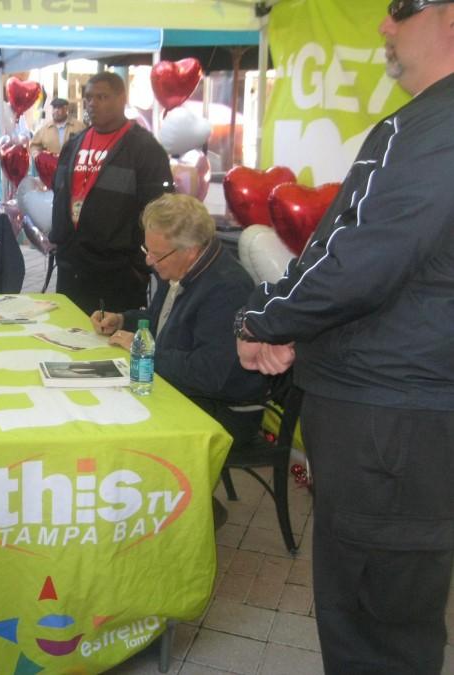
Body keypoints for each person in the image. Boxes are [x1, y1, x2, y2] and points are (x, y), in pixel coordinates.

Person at [235, 2, 454, 673]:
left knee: (374, 631)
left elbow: (357, 260)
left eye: (401, 9)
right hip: (409, 416)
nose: (385, 26)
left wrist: (261, 321)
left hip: (391, 423)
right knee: (398, 620)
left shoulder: (431, 129)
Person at [93, 193, 267, 449]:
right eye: (147, 250)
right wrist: (122, 321)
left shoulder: (228, 288)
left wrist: (144, 352)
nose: (148, 261)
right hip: (182, 390)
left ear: (191, 250)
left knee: (110, 424)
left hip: (221, 412)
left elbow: (209, 373)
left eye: (157, 255)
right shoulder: (179, 268)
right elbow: (161, 322)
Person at [50, 71, 173, 316]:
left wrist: (139, 265)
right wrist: (59, 242)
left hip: (118, 273)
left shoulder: (144, 149)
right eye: (88, 98)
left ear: (121, 98)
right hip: (72, 265)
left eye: (102, 97)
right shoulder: (74, 144)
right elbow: (61, 195)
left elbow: (159, 212)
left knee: (110, 343)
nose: (92, 103)